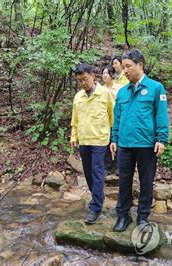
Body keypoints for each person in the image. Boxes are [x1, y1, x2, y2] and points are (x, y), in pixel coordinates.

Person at [110, 49, 170, 232]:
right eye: (123, 67)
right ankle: (123, 215)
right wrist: (114, 139)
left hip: (146, 145)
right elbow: (117, 118)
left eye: (128, 66)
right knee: (124, 181)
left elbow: (161, 115)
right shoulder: (122, 92)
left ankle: (143, 217)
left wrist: (161, 138)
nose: (125, 70)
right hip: (125, 144)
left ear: (140, 65)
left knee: (146, 181)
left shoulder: (155, 88)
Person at [70, 63, 114, 224]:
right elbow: (75, 120)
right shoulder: (78, 97)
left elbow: (112, 116)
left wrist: (113, 138)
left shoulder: (105, 94)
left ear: (93, 76)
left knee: (96, 172)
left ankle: (96, 207)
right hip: (84, 140)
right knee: (88, 173)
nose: (83, 83)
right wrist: (74, 136)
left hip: (100, 140)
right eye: (79, 80)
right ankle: (98, 196)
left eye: (85, 79)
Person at [102, 65, 120, 175]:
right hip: (105, 120)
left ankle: (119, 167)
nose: (104, 75)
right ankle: (108, 166)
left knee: (117, 143)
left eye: (106, 73)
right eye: (103, 73)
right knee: (106, 143)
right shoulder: (101, 89)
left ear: (112, 75)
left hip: (117, 119)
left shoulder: (119, 88)